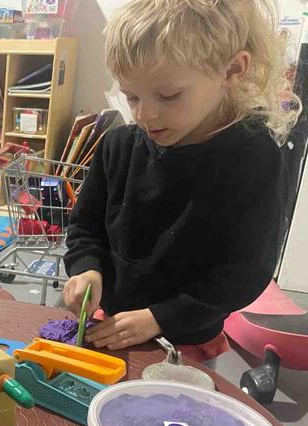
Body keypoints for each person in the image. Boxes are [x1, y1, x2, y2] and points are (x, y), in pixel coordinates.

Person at [63, 0, 299, 361]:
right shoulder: (118, 144)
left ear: (232, 69)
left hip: (187, 340)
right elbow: (85, 226)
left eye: (169, 95)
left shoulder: (254, 157)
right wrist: (86, 269)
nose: (145, 114)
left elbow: (245, 272)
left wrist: (160, 318)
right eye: (131, 96)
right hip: (110, 326)